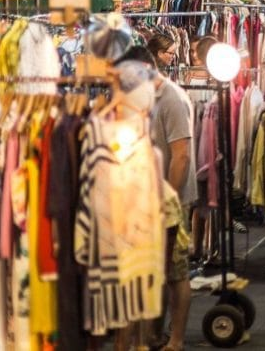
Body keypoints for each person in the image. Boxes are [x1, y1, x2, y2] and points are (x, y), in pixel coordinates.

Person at [115, 45, 195, 351]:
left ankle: (176, 340)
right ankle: (150, 335)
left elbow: (182, 156)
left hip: (171, 202)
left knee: (175, 273)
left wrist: (168, 204)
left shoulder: (171, 100)